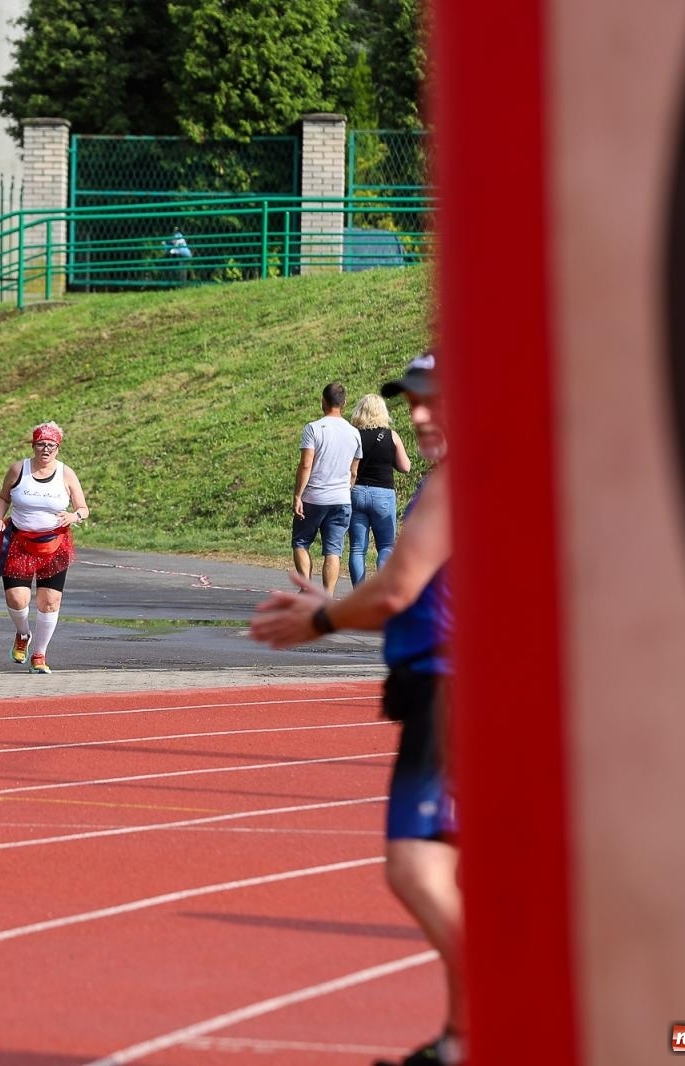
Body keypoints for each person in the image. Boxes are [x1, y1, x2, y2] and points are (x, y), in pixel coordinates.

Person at [250, 350, 462, 1066]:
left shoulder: (456, 483)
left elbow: (400, 590)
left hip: (450, 695)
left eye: (439, 399)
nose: (423, 415)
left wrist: (320, 622)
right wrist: (336, 606)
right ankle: (469, 1035)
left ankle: (489, 1022)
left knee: (414, 868)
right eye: (413, 404)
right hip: (449, 686)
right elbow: (422, 603)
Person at [0, 421, 90, 675]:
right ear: (33, 446)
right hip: (19, 542)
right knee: (17, 598)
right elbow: (3, 497)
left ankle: (39, 655)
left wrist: (73, 517)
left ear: (58, 448)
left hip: (54, 544)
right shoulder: (18, 470)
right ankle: (23, 634)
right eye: (41, 444)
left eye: (51, 446)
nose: (46, 450)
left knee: (50, 601)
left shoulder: (66, 474)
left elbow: (83, 509)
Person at [292, 381, 361, 596]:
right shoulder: (354, 433)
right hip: (341, 498)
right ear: (344, 403)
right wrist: (346, 490)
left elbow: (306, 464)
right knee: (333, 549)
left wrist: (297, 495)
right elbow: (354, 472)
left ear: (323, 401)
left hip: (314, 496)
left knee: (301, 541)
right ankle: (328, 596)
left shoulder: (313, 428)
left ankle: (307, 588)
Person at [348, 393, 413, 586]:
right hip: (383, 495)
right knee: (386, 546)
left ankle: (359, 595)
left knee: (357, 549)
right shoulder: (391, 436)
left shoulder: (353, 435)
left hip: (357, 492)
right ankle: (383, 589)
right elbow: (406, 467)